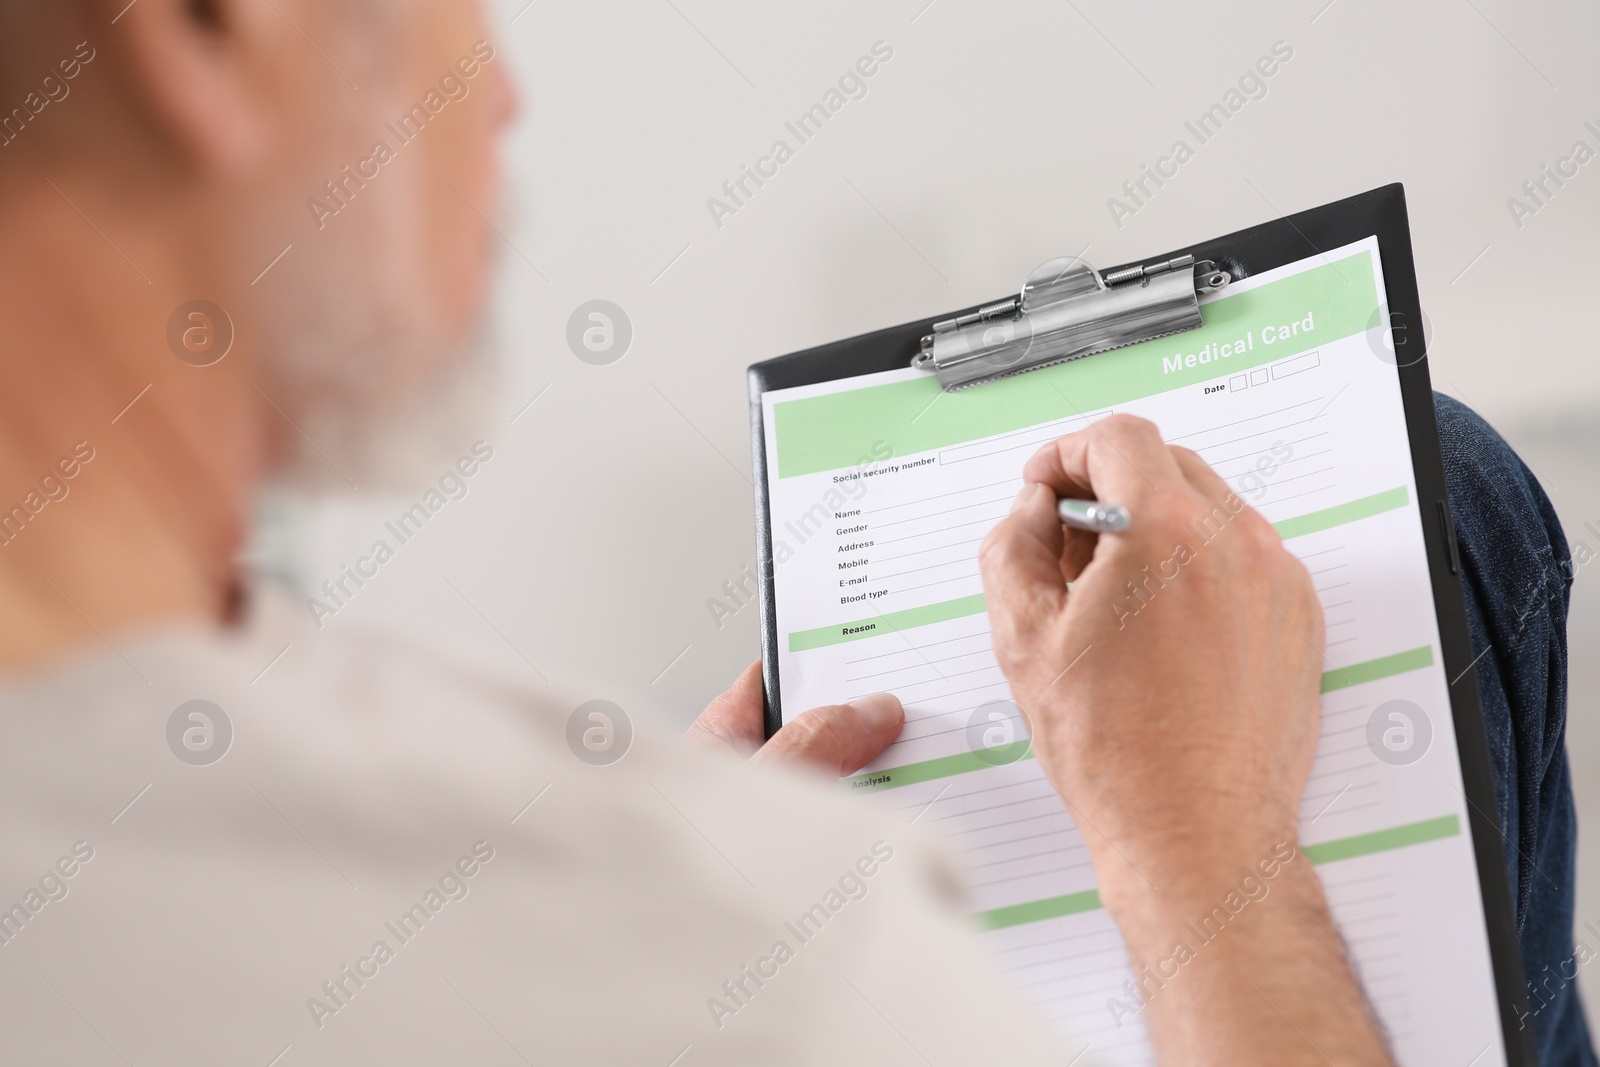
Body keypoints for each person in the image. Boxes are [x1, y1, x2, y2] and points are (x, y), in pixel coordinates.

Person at [0, 0, 1588, 1063]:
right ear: (213, 33)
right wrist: (1199, 835)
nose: (501, 90)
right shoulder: (687, 941)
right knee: (1443, 496)